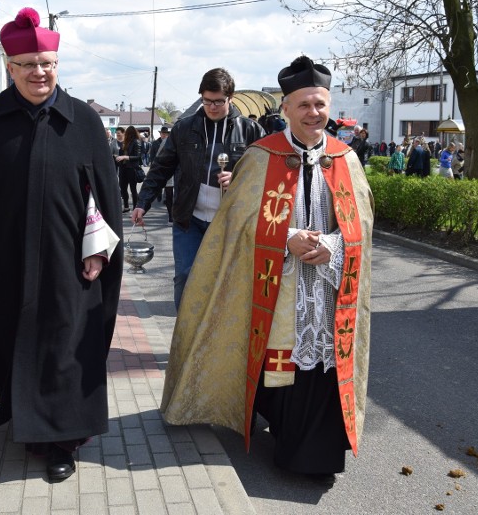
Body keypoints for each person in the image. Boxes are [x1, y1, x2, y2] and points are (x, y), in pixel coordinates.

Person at [0, 6, 123, 483]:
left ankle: (59, 439)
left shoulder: (84, 122)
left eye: (47, 64)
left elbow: (105, 198)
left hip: (69, 263)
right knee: (12, 339)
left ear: (58, 65)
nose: (39, 72)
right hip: (3, 261)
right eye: (28, 64)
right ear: (9, 68)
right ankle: (25, 416)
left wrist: (98, 250)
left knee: (64, 344)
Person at [160, 55, 373, 481]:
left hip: (328, 290)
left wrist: (333, 246)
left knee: (321, 369)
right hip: (276, 287)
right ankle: (278, 432)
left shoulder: (345, 157)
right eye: (304, 105)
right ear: (287, 110)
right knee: (278, 368)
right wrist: (286, 239)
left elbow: (362, 223)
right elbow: (237, 220)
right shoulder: (261, 156)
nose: (314, 113)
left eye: (320, 104)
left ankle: (314, 453)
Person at [131, 68, 265, 308]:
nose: (212, 107)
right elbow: (162, 168)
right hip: (189, 219)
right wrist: (143, 203)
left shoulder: (251, 131)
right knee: (185, 275)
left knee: (227, 282)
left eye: (218, 102)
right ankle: (184, 338)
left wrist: (238, 178)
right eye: (206, 101)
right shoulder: (184, 128)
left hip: (231, 221)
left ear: (230, 98)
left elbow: (265, 174)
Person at [150, 125, 174, 220]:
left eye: (165, 133)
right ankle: (159, 193)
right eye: (162, 133)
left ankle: (171, 216)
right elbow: (153, 155)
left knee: (169, 194)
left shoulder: (171, 142)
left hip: (169, 171)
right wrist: (153, 166)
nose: (164, 135)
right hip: (158, 168)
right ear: (160, 134)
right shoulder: (156, 143)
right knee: (159, 185)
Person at [116, 125, 143, 212]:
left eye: (127, 133)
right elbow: (121, 153)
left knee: (133, 189)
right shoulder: (126, 142)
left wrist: (125, 157)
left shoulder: (136, 142)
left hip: (132, 168)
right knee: (123, 188)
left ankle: (135, 208)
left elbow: (138, 157)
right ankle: (126, 206)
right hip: (123, 168)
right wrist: (118, 156)